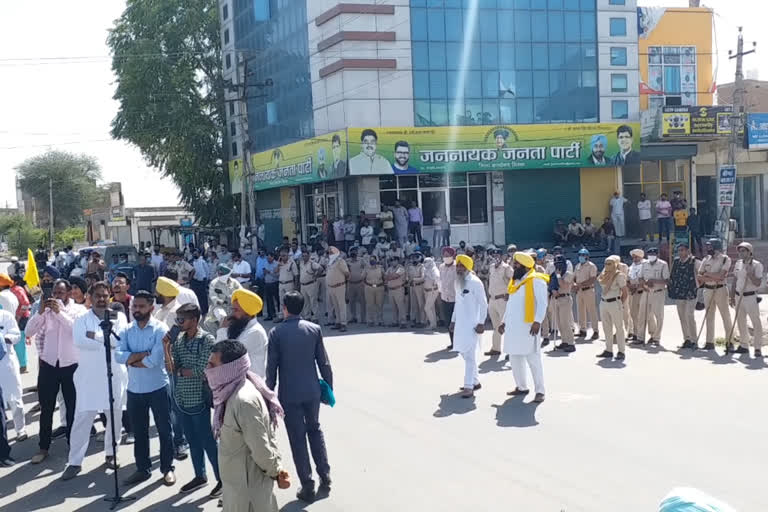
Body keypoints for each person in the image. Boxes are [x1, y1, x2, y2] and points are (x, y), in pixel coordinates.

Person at [207, 340, 289, 512]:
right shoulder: (229, 391)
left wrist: (276, 471)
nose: (208, 370)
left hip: (248, 491)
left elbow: (261, 448)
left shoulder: (244, 401)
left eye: (212, 365)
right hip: (236, 485)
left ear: (229, 368)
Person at [266, 291, 333, 503]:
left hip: (290, 394)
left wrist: (269, 398)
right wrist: (328, 389)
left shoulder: (276, 333)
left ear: (284, 307)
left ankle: (307, 484)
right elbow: (324, 363)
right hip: (312, 391)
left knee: (297, 438)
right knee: (315, 429)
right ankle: (325, 475)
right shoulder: (314, 329)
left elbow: (272, 370)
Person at [62, 281, 128, 480]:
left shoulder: (119, 316)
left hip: (114, 375)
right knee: (81, 420)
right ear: (90, 297)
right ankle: (74, 461)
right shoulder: (82, 318)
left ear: (109, 297)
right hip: (89, 378)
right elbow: (80, 341)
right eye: (97, 295)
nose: (101, 299)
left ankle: (111, 453)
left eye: (104, 295)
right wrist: (104, 339)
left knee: (115, 418)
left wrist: (95, 336)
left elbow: (120, 341)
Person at [115, 290, 176, 486]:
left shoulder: (160, 329)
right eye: (135, 306)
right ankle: (142, 469)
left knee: (165, 431)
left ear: (151, 307)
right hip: (134, 390)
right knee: (140, 433)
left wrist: (131, 359)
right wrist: (141, 355)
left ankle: (167, 469)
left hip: (158, 387)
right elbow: (118, 356)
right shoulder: (126, 330)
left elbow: (155, 360)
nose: (137, 310)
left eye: (141, 306)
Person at [26, 278, 87, 464]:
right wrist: (41, 313)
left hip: (71, 366)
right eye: (55, 292)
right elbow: (29, 331)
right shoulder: (44, 309)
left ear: (69, 293)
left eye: (61, 292)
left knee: (72, 408)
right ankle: (43, 447)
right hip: (48, 365)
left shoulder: (79, 310)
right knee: (46, 408)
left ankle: (73, 447)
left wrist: (59, 313)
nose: (57, 296)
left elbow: (76, 331)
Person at [167, 304, 222, 497]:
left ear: (195, 320)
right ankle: (200, 475)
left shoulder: (206, 339)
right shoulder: (180, 339)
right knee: (192, 439)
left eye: (182, 319)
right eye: (178, 319)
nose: (179, 323)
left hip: (198, 397)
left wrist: (181, 371)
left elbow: (201, 369)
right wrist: (167, 347)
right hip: (181, 398)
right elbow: (172, 366)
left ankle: (222, 479)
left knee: (207, 440)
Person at [499, 252, 548, 403]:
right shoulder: (515, 282)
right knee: (514, 357)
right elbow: (511, 305)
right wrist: (503, 321)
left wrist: (538, 321)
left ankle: (540, 391)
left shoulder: (536, 280)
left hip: (529, 326)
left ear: (525, 266)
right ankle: (521, 387)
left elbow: (542, 303)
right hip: (513, 327)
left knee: (533, 359)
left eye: (517, 264)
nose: (514, 267)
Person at [449, 255, 487, 398]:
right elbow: (457, 303)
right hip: (460, 325)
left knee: (470, 356)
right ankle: (475, 381)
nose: (458, 268)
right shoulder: (457, 282)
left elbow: (484, 304)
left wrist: (481, 322)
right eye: (457, 266)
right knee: (463, 352)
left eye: (461, 266)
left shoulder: (476, 282)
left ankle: (468, 386)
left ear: (468, 267)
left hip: (472, 325)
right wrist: (453, 321)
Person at [697, 238, 733, 351]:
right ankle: (709, 342)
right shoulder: (705, 259)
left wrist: (707, 275)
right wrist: (713, 276)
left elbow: (721, 276)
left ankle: (729, 342)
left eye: (710, 246)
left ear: (716, 247)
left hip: (720, 290)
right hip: (708, 289)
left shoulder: (725, 259)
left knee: (725, 316)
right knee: (709, 316)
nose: (708, 248)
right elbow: (699, 276)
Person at [731, 242, 764, 356]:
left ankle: (757, 347)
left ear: (750, 252)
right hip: (738, 295)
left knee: (756, 322)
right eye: (740, 251)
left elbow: (758, 283)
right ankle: (744, 345)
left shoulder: (756, 265)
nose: (741, 253)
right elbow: (735, 280)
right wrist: (732, 295)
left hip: (750, 296)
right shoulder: (738, 263)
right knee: (741, 321)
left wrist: (750, 274)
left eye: (743, 251)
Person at [666, 243, 700, 350]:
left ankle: (694, 340)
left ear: (687, 251)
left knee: (689, 315)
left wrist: (699, 288)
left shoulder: (695, 262)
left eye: (682, 250)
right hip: (679, 293)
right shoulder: (676, 262)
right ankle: (687, 339)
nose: (681, 252)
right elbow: (672, 276)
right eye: (679, 250)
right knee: (682, 317)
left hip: (691, 292)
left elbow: (701, 275)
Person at [0, 305, 25, 442]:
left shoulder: (5, 316)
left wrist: (3, 339)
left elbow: (16, 335)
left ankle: (20, 429)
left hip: (6, 362)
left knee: (14, 397)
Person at [596, 256, 628, 361]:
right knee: (606, 328)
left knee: (619, 328)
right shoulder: (604, 274)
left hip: (615, 302)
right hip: (604, 302)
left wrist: (620, 303)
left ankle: (621, 351)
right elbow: (599, 281)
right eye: (605, 263)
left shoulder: (619, 275)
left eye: (609, 263)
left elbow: (625, 292)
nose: (607, 266)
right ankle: (608, 350)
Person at [485, 249, 513, 356]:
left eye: (498, 255)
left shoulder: (506, 268)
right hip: (492, 299)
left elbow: (513, 280)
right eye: (494, 255)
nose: (496, 257)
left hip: (502, 299)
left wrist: (510, 293)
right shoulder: (492, 267)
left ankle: (510, 350)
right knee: (496, 326)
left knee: (506, 325)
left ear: (502, 256)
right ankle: (496, 348)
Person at [639, 247, 669, 346]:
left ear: (657, 255)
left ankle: (656, 338)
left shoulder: (663, 264)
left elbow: (666, 280)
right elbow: (640, 278)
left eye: (653, 254)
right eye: (649, 254)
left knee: (658, 316)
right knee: (643, 314)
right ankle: (641, 337)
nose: (651, 256)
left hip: (658, 292)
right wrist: (644, 284)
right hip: (647, 292)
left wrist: (653, 281)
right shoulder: (644, 264)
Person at [551, 254, 577, 353]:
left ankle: (571, 343)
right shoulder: (555, 274)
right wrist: (553, 290)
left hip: (565, 298)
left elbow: (563, 284)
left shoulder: (568, 274)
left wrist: (558, 275)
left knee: (565, 322)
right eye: (556, 264)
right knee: (559, 322)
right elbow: (552, 284)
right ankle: (564, 341)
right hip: (557, 298)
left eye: (560, 264)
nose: (558, 266)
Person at [574, 249, 599, 341]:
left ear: (587, 256)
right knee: (580, 311)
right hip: (579, 291)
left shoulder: (591, 266)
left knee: (591, 311)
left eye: (583, 255)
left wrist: (580, 284)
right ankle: (582, 330)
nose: (581, 257)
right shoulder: (577, 266)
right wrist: (574, 285)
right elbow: (574, 277)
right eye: (580, 255)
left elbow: (592, 279)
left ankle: (595, 330)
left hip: (588, 290)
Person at [9, 275, 31, 374]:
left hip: (21, 318)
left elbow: (26, 303)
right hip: (16, 317)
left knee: (19, 342)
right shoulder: (12, 289)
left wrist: (18, 316)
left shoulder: (17, 290)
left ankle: (23, 365)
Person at [627, 249, 648, 344]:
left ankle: (651, 335)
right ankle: (636, 334)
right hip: (633, 293)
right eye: (633, 257)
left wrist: (637, 286)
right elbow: (628, 278)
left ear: (641, 256)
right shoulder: (631, 267)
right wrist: (630, 286)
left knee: (644, 315)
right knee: (633, 314)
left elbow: (646, 280)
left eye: (636, 257)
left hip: (642, 292)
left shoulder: (645, 265)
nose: (634, 259)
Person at [439, 247, 458, 349]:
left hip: (455, 298)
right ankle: (453, 342)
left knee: (457, 322)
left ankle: (459, 342)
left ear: (453, 256)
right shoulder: (441, 267)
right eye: (444, 255)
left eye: (448, 255)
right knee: (448, 321)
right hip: (445, 298)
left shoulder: (457, 266)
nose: (446, 257)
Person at [385, 254, 408, 329]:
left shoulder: (401, 268)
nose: (393, 262)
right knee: (393, 307)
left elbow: (396, 276)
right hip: (391, 290)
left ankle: (403, 322)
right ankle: (395, 321)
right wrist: (390, 276)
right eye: (392, 261)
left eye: (394, 260)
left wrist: (390, 277)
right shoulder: (389, 268)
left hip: (398, 289)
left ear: (397, 261)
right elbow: (385, 277)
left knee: (400, 306)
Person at [298, 252, 322, 322]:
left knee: (313, 301)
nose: (304, 257)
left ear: (309, 256)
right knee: (305, 302)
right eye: (303, 256)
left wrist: (316, 276)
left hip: (311, 284)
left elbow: (320, 268)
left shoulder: (312, 263)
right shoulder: (301, 263)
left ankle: (315, 317)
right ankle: (307, 316)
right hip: (303, 285)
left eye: (306, 256)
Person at [276, 250, 298, 323]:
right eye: (281, 256)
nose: (282, 257)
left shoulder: (292, 263)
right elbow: (275, 271)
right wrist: (278, 264)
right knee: (281, 301)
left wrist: (296, 286)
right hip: (281, 284)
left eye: (284, 255)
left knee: (290, 301)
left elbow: (296, 275)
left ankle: (290, 316)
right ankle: (281, 316)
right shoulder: (280, 263)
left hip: (289, 283)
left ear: (287, 255)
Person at [346, 248, 366, 324]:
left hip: (360, 283)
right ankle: (353, 317)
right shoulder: (347, 261)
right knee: (351, 302)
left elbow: (366, 268)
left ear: (357, 252)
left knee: (362, 302)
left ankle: (363, 318)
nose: (353, 253)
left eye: (354, 252)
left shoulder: (361, 260)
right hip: (350, 283)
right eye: (352, 252)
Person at [406, 252, 425, 328]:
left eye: (416, 257)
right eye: (413, 257)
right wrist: (407, 280)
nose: (414, 259)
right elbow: (407, 276)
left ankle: (422, 321)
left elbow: (423, 278)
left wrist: (413, 279)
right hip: (411, 287)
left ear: (419, 258)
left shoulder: (422, 267)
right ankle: (415, 320)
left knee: (421, 304)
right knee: (413, 305)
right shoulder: (410, 267)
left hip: (419, 286)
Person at [190, 249, 211, 317]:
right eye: (194, 254)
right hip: (195, 281)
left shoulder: (203, 262)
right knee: (196, 296)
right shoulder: (192, 262)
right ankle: (198, 310)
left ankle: (205, 310)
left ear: (199, 254)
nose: (195, 255)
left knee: (203, 296)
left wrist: (206, 280)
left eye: (196, 253)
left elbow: (207, 271)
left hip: (202, 281)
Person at [422, 257, 441, 331]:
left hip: (432, 291)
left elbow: (437, 277)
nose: (425, 263)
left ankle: (432, 324)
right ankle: (433, 324)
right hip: (427, 291)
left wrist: (435, 283)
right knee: (431, 308)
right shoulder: (426, 269)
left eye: (426, 262)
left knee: (427, 308)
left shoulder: (434, 269)